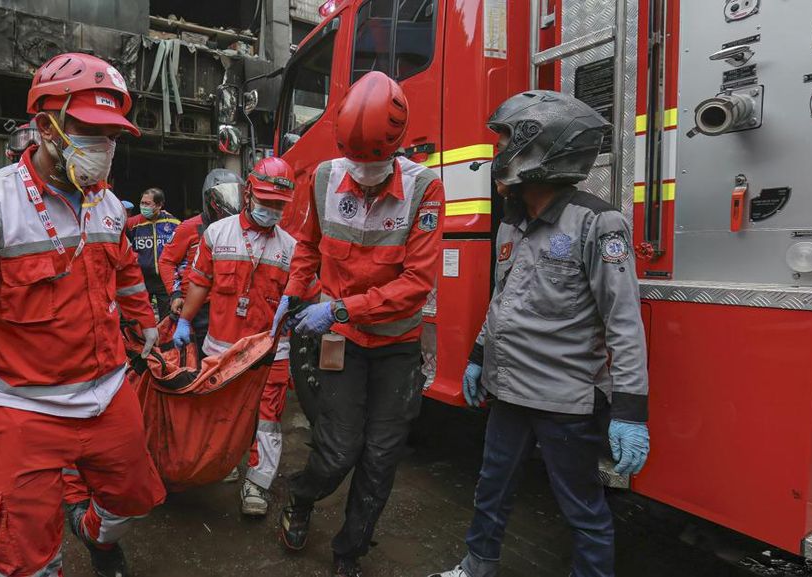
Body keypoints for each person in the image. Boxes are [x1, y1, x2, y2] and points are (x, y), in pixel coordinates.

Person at [0, 52, 166, 577]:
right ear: (45, 126)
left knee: (134, 499)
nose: (104, 148)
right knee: (23, 555)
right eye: (89, 130)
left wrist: (144, 318)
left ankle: (94, 534)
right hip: (21, 405)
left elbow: (126, 269)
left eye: (112, 136)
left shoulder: (107, 204)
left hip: (107, 394)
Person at [429, 91, 651, 577]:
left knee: (582, 510)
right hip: (508, 390)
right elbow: (502, 301)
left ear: (539, 147)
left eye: (505, 139)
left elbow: (623, 321)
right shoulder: (513, 224)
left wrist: (632, 410)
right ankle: (477, 566)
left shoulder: (597, 222)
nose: (496, 151)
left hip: (566, 400)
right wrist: (477, 354)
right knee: (491, 489)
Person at [271, 71, 444, 577]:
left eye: (374, 161)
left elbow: (417, 283)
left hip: (395, 343)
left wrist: (341, 308)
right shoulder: (325, 176)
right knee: (339, 447)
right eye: (356, 159)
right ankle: (301, 498)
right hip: (342, 341)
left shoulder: (425, 188)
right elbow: (306, 244)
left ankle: (349, 551)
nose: (363, 171)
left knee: (382, 456)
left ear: (396, 147)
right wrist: (293, 291)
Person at [172, 157, 298, 516]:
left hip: (271, 352)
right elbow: (199, 282)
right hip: (221, 350)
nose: (272, 210)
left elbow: (303, 293)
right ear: (248, 195)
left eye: (279, 205)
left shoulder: (290, 248)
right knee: (220, 412)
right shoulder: (217, 234)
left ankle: (257, 485)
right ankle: (221, 463)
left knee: (268, 418)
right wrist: (185, 320)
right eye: (267, 201)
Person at [159, 168, 243, 351]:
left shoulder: (239, 229)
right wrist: (175, 295)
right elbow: (166, 261)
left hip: (227, 306)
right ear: (210, 200)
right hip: (197, 307)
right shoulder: (189, 228)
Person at [127, 187, 180, 318]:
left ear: (159, 205)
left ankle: (165, 339)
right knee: (139, 318)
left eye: (147, 204)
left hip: (165, 280)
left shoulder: (174, 223)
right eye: (142, 203)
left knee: (167, 318)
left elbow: (181, 250)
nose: (143, 206)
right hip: (141, 279)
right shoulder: (131, 224)